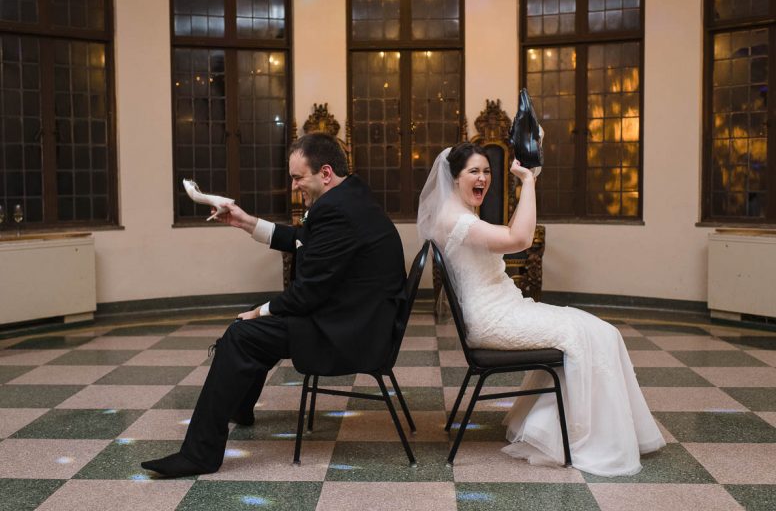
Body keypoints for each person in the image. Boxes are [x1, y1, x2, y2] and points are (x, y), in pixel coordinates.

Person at [142, 132, 406, 477]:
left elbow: (308, 294)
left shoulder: (337, 211)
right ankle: (240, 406)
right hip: (357, 316)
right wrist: (243, 220)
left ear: (325, 173)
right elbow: (302, 239)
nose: (294, 185)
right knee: (253, 325)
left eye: (298, 177)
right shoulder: (349, 196)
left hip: (352, 333)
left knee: (242, 334)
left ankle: (200, 455)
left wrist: (260, 312)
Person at [417, 143, 665, 477]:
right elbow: (519, 239)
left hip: (504, 308)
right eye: (473, 171)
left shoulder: (458, 212)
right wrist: (529, 182)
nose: (483, 178)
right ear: (454, 176)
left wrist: (526, 179)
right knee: (597, 334)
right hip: (493, 319)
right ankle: (582, 439)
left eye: (487, 171)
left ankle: (552, 430)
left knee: (595, 331)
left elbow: (510, 233)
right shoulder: (457, 220)